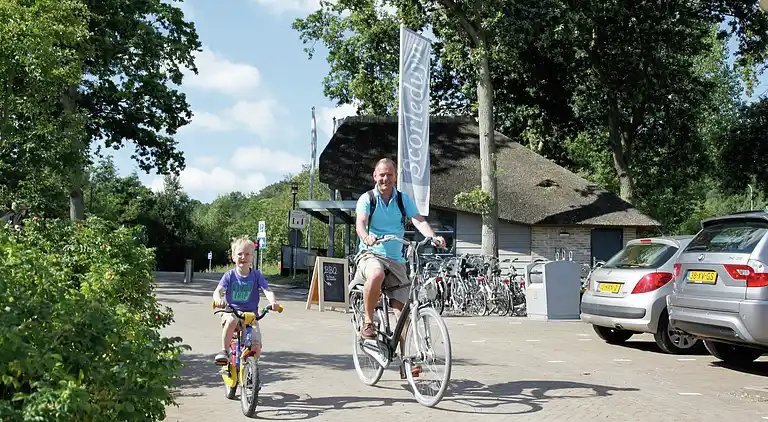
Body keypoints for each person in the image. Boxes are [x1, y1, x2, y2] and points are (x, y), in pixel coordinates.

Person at [352, 158, 446, 377]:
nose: (385, 178)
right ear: (375, 176)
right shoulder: (368, 199)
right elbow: (360, 223)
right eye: (381, 174)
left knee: (402, 313)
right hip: (371, 253)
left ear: (395, 177)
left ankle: (406, 362)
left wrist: (433, 237)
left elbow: (418, 220)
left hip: (396, 259)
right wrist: (366, 237)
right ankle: (368, 322)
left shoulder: (403, 200)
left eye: (389, 174)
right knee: (375, 275)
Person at [212, 235, 279, 365]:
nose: (243, 257)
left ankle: (249, 372)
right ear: (233, 257)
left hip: (251, 315)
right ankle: (224, 351)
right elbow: (218, 291)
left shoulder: (256, 275)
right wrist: (218, 299)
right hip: (232, 311)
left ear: (252, 258)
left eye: (247, 254)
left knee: (256, 348)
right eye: (240, 254)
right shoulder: (229, 275)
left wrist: (273, 302)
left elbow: (267, 290)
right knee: (231, 320)